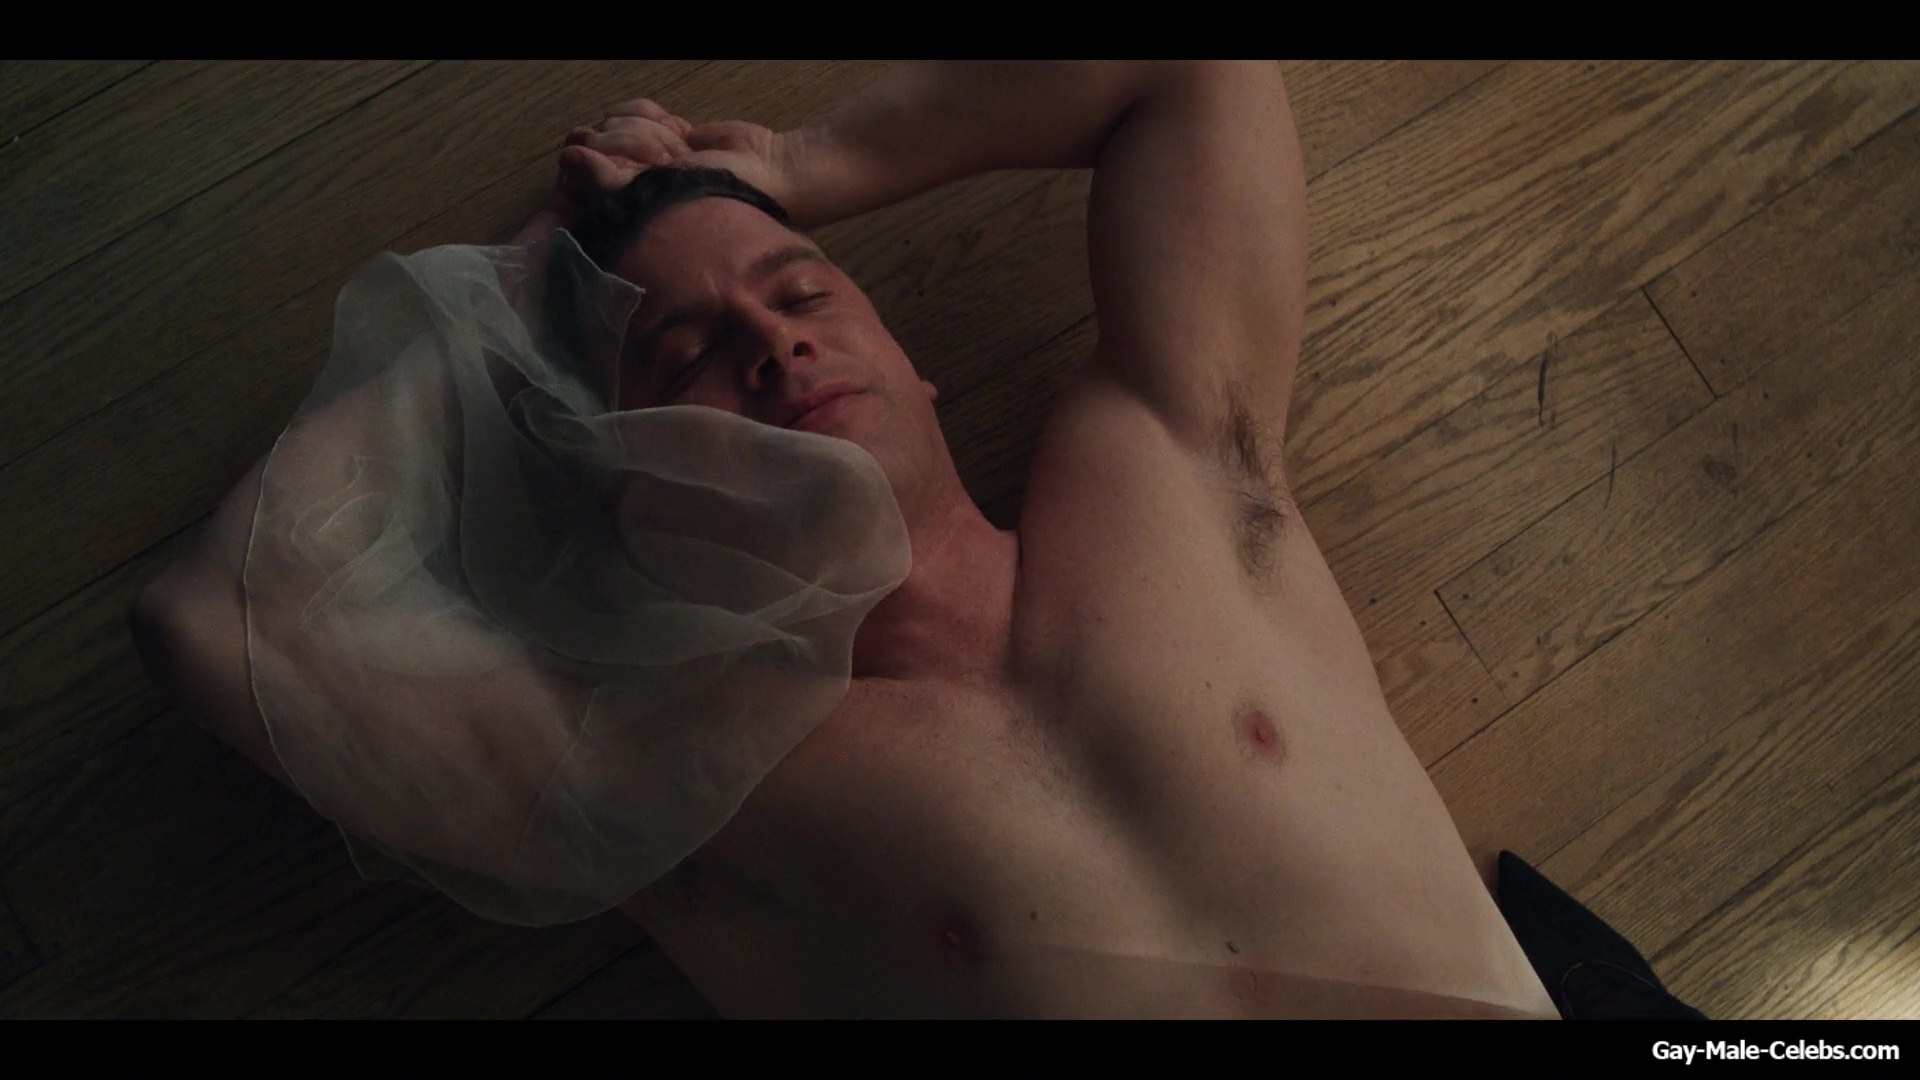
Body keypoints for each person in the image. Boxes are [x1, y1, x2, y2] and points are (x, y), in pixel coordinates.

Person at [130, 61, 1563, 1019]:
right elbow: (223, 623)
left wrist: (798, 165)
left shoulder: (1168, 476)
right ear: (634, 491)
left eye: (801, 289)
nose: (773, 341)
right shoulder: (680, 782)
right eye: (686, 354)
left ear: (917, 367)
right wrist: (508, 294)